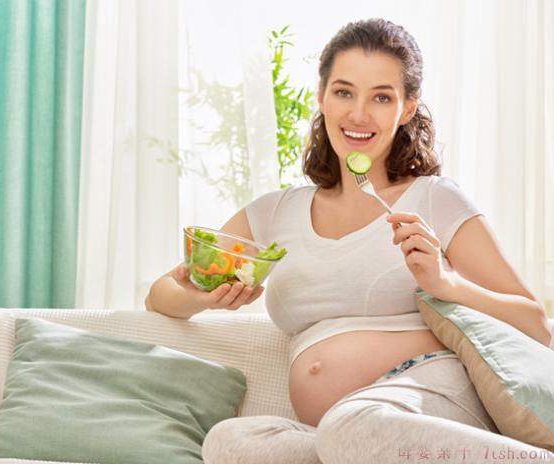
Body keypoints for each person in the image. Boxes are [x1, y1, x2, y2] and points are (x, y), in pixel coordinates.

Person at [145, 18, 553, 464]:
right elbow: (161, 296)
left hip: (427, 394)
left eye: (381, 97)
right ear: (321, 98)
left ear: (408, 107)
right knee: (229, 442)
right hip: (338, 432)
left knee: (349, 428)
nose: (359, 113)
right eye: (343, 92)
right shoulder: (274, 213)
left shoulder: (435, 199)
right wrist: (208, 297)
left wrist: (446, 285)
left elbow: (536, 325)